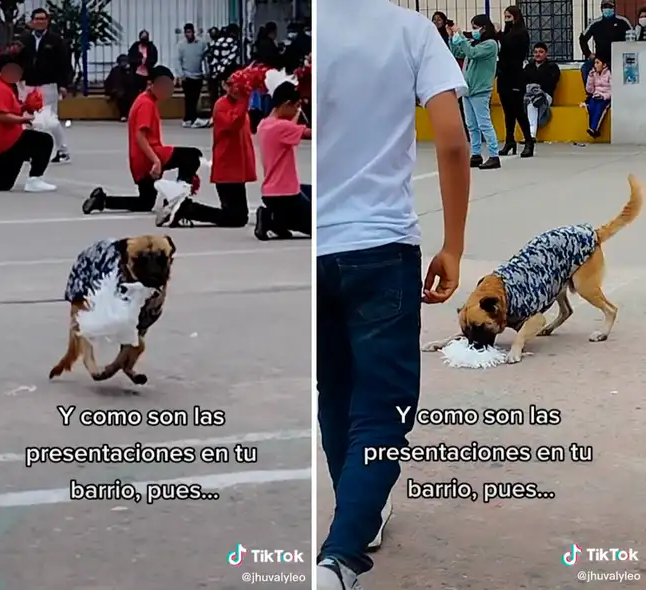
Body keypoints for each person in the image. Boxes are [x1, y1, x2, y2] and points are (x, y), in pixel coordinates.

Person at [318, 0, 470, 587]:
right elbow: (453, 141)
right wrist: (453, 244)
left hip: (318, 247)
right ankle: (339, 560)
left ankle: (359, 515)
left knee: (336, 393)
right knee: (382, 409)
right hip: (382, 248)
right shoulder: (411, 31)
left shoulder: (313, 30)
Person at [82, 66, 202, 216]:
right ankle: (176, 197)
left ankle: (103, 201)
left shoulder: (145, 100)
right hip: (148, 154)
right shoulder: (146, 104)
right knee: (191, 156)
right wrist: (156, 161)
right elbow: (140, 135)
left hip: (138, 159)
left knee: (145, 202)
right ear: (150, 84)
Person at [154, 66, 254, 229]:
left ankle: (187, 208)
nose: (236, 89)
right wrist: (244, 101)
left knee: (238, 216)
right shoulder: (221, 105)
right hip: (227, 167)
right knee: (236, 217)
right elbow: (233, 124)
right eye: (232, 84)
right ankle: (188, 209)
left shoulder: (240, 105)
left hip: (238, 167)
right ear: (224, 85)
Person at [0, 54, 56, 193]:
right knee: (44, 141)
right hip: (6, 141)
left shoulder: (2, 85)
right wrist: (24, 120)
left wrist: (26, 107)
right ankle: (35, 179)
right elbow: (1, 116)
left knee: (4, 182)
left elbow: (9, 110)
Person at [253, 81, 311, 240]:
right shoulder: (282, 127)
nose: (297, 110)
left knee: (313, 192)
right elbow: (309, 133)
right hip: (286, 194)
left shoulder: (264, 124)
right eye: (296, 106)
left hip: (272, 192)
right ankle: (272, 220)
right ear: (287, 104)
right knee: (316, 225)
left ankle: (279, 220)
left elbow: (290, 126)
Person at [19, 8, 72, 164]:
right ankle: (28, 151)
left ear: (47, 21)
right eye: (37, 19)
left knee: (50, 119)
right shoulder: (25, 40)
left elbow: (64, 64)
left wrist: (63, 84)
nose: (40, 22)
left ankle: (62, 151)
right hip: (27, 84)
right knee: (27, 119)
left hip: (48, 85)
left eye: (43, 19)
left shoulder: (56, 41)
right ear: (32, 21)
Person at [451, 15, 501, 169]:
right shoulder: (475, 43)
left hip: (480, 89)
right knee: (471, 125)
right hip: (468, 89)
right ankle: (476, 154)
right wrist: (453, 37)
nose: (473, 31)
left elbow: (472, 53)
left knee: (484, 123)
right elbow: (459, 53)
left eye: (475, 27)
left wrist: (461, 37)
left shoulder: (491, 44)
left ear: (484, 28)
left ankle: (494, 155)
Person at [497, 6, 535, 158]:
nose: (507, 20)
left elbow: (510, 47)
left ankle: (528, 141)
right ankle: (509, 140)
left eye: (509, 17)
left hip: (516, 76)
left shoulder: (521, 33)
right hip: (504, 75)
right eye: (505, 17)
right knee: (507, 111)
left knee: (518, 110)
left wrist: (499, 34)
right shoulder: (507, 33)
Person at [579, 0, 631, 84]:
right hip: (600, 60)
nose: (607, 9)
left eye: (610, 6)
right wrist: (588, 54)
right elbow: (582, 38)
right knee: (585, 68)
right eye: (605, 7)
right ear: (601, 9)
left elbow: (632, 38)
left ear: (614, 8)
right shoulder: (595, 23)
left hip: (619, 59)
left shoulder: (623, 21)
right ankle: (592, 95)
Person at [522, 42, 561, 141]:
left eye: (540, 52)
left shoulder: (552, 67)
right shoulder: (528, 67)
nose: (537, 54)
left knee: (534, 101)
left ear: (546, 54)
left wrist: (537, 86)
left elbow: (551, 83)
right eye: (535, 52)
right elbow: (523, 82)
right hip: (530, 95)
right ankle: (531, 135)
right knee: (531, 101)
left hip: (546, 96)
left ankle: (530, 135)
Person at [176, 23, 209, 128]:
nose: (188, 34)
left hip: (198, 75)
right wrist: (181, 75)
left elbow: (206, 58)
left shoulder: (201, 43)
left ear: (193, 32)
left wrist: (206, 72)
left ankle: (190, 118)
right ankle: (190, 118)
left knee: (195, 98)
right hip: (187, 75)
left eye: (190, 32)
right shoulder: (181, 45)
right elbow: (178, 60)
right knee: (189, 98)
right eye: (186, 32)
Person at [583, 56, 612, 138]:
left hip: (605, 98)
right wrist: (590, 77)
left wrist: (604, 97)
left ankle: (594, 128)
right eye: (595, 63)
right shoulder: (594, 74)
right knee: (591, 107)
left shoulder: (609, 74)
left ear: (604, 65)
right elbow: (589, 90)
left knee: (599, 108)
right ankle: (592, 129)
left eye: (597, 63)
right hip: (596, 96)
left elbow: (613, 90)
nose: (595, 65)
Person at [128, 30, 159, 98]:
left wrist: (147, 62)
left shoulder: (151, 47)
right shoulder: (135, 46)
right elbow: (130, 58)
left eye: (145, 36)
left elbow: (154, 59)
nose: (144, 38)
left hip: (147, 74)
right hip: (136, 74)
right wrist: (139, 61)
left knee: (146, 94)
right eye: (142, 36)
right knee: (135, 94)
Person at [104, 55, 134, 121]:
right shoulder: (115, 70)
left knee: (130, 96)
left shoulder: (131, 70)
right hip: (118, 91)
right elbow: (108, 82)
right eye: (122, 62)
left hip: (129, 90)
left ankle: (129, 114)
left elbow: (133, 82)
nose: (123, 63)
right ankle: (123, 115)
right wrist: (108, 93)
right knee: (121, 97)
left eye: (125, 62)